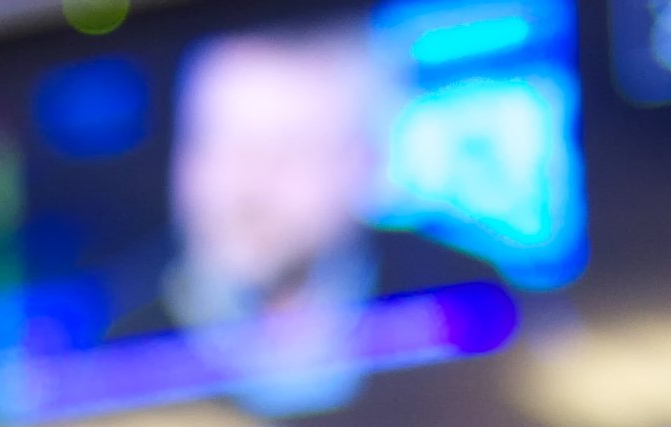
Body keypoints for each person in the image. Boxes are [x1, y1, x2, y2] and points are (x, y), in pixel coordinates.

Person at [117, 20, 485, 394]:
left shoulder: (469, 303)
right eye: (217, 143)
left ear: (362, 162)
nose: (244, 184)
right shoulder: (116, 349)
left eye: (288, 149)